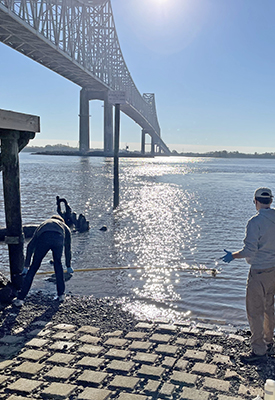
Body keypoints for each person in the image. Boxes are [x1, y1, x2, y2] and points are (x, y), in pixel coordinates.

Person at [222, 187, 275, 363]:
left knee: (255, 311)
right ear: (271, 201)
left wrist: (232, 256)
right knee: (269, 306)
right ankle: (268, 340)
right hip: (273, 270)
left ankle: (259, 350)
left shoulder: (255, 222)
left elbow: (249, 250)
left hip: (258, 272)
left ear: (255, 201)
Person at [13, 215, 73, 307]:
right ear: (62, 221)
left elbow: (30, 246)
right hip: (58, 238)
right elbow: (68, 249)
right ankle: (61, 295)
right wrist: (68, 266)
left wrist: (26, 266)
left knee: (34, 267)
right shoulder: (65, 227)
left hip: (44, 238)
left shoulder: (43, 224)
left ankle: (20, 299)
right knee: (58, 265)